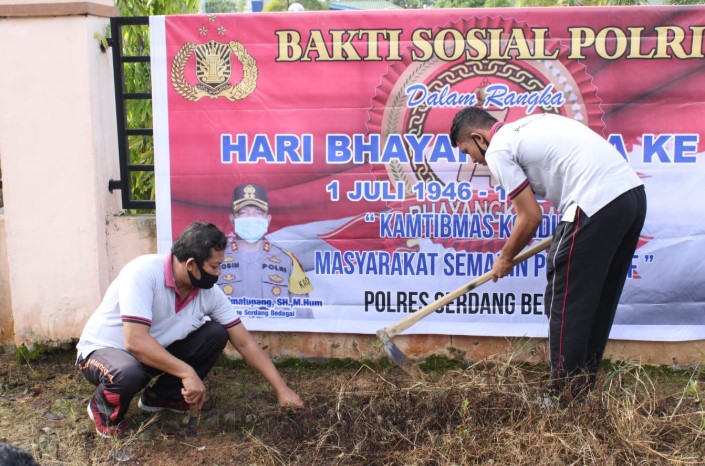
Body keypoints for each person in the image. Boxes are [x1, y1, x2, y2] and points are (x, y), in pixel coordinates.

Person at [449, 108, 647, 404]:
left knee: (565, 298)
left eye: (468, 150)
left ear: (479, 137)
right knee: (598, 299)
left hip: (594, 201)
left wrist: (505, 258)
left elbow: (529, 216)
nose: (473, 161)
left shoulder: (499, 148)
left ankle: (561, 395)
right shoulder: (533, 124)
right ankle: (580, 388)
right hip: (631, 198)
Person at [76, 221, 303, 438]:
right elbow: (135, 341)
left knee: (215, 333)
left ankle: (162, 398)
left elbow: (244, 342)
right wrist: (187, 372)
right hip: (103, 352)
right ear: (191, 264)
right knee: (126, 373)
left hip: (150, 356)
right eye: (215, 266)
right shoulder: (142, 272)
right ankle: (102, 411)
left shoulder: (208, 293)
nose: (219, 273)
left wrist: (282, 390)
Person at [218, 183, 314, 318]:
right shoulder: (215, 259)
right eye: (243, 213)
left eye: (258, 213)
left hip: (278, 338)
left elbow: (304, 318)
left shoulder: (288, 260)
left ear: (268, 220)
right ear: (232, 219)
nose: (251, 219)